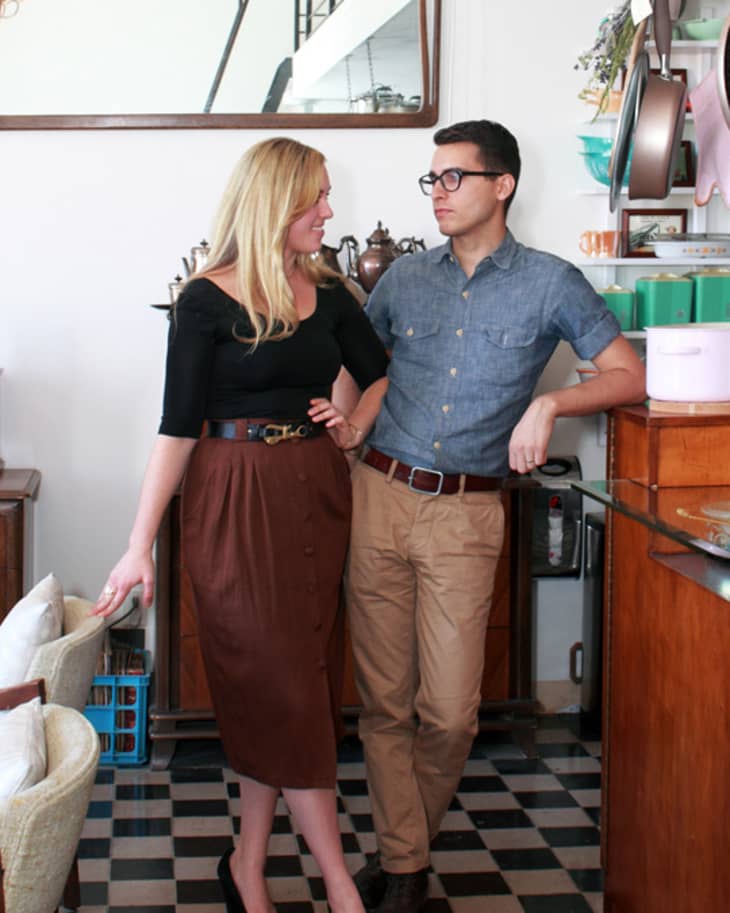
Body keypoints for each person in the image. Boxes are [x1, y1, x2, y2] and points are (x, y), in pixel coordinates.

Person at [343, 120, 646, 913]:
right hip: (376, 497)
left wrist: (551, 399)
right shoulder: (403, 278)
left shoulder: (551, 282)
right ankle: (406, 868)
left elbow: (627, 375)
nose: (438, 192)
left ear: (502, 184)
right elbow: (362, 370)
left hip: (466, 517)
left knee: (448, 712)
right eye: (432, 179)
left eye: (454, 178)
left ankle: (400, 850)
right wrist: (347, 426)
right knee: (384, 705)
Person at [92, 137, 389, 913]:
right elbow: (177, 427)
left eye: (328, 196)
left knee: (292, 686)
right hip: (232, 498)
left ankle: (247, 865)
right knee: (282, 686)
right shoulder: (204, 300)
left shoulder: (327, 291)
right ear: (274, 203)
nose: (330, 211)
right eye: (317, 198)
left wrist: (351, 418)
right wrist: (138, 544)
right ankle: (337, 883)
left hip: (315, 493)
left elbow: (380, 367)